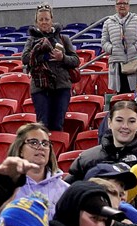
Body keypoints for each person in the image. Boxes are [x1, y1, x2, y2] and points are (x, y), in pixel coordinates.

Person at [24, 5, 79, 133]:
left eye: (46, 19)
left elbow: (75, 60)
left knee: (57, 124)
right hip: (40, 88)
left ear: (51, 20)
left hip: (61, 87)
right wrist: (45, 57)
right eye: (41, 19)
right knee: (42, 125)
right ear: (36, 22)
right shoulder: (31, 40)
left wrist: (62, 57)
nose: (44, 22)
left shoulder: (63, 39)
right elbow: (25, 58)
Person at [9, 123, 69, 206]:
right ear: (20, 150)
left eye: (45, 144)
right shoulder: (6, 187)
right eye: (34, 143)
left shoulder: (65, 190)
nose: (41, 147)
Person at [103, 0, 137, 94]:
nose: (122, 6)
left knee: (136, 93)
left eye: (125, 3)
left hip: (134, 62)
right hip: (117, 64)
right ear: (115, 6)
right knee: (120, 95)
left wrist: (134, 49)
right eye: (119, 3)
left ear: (129, 5)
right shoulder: (108, 22)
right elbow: (104, 42)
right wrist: (112, 49)